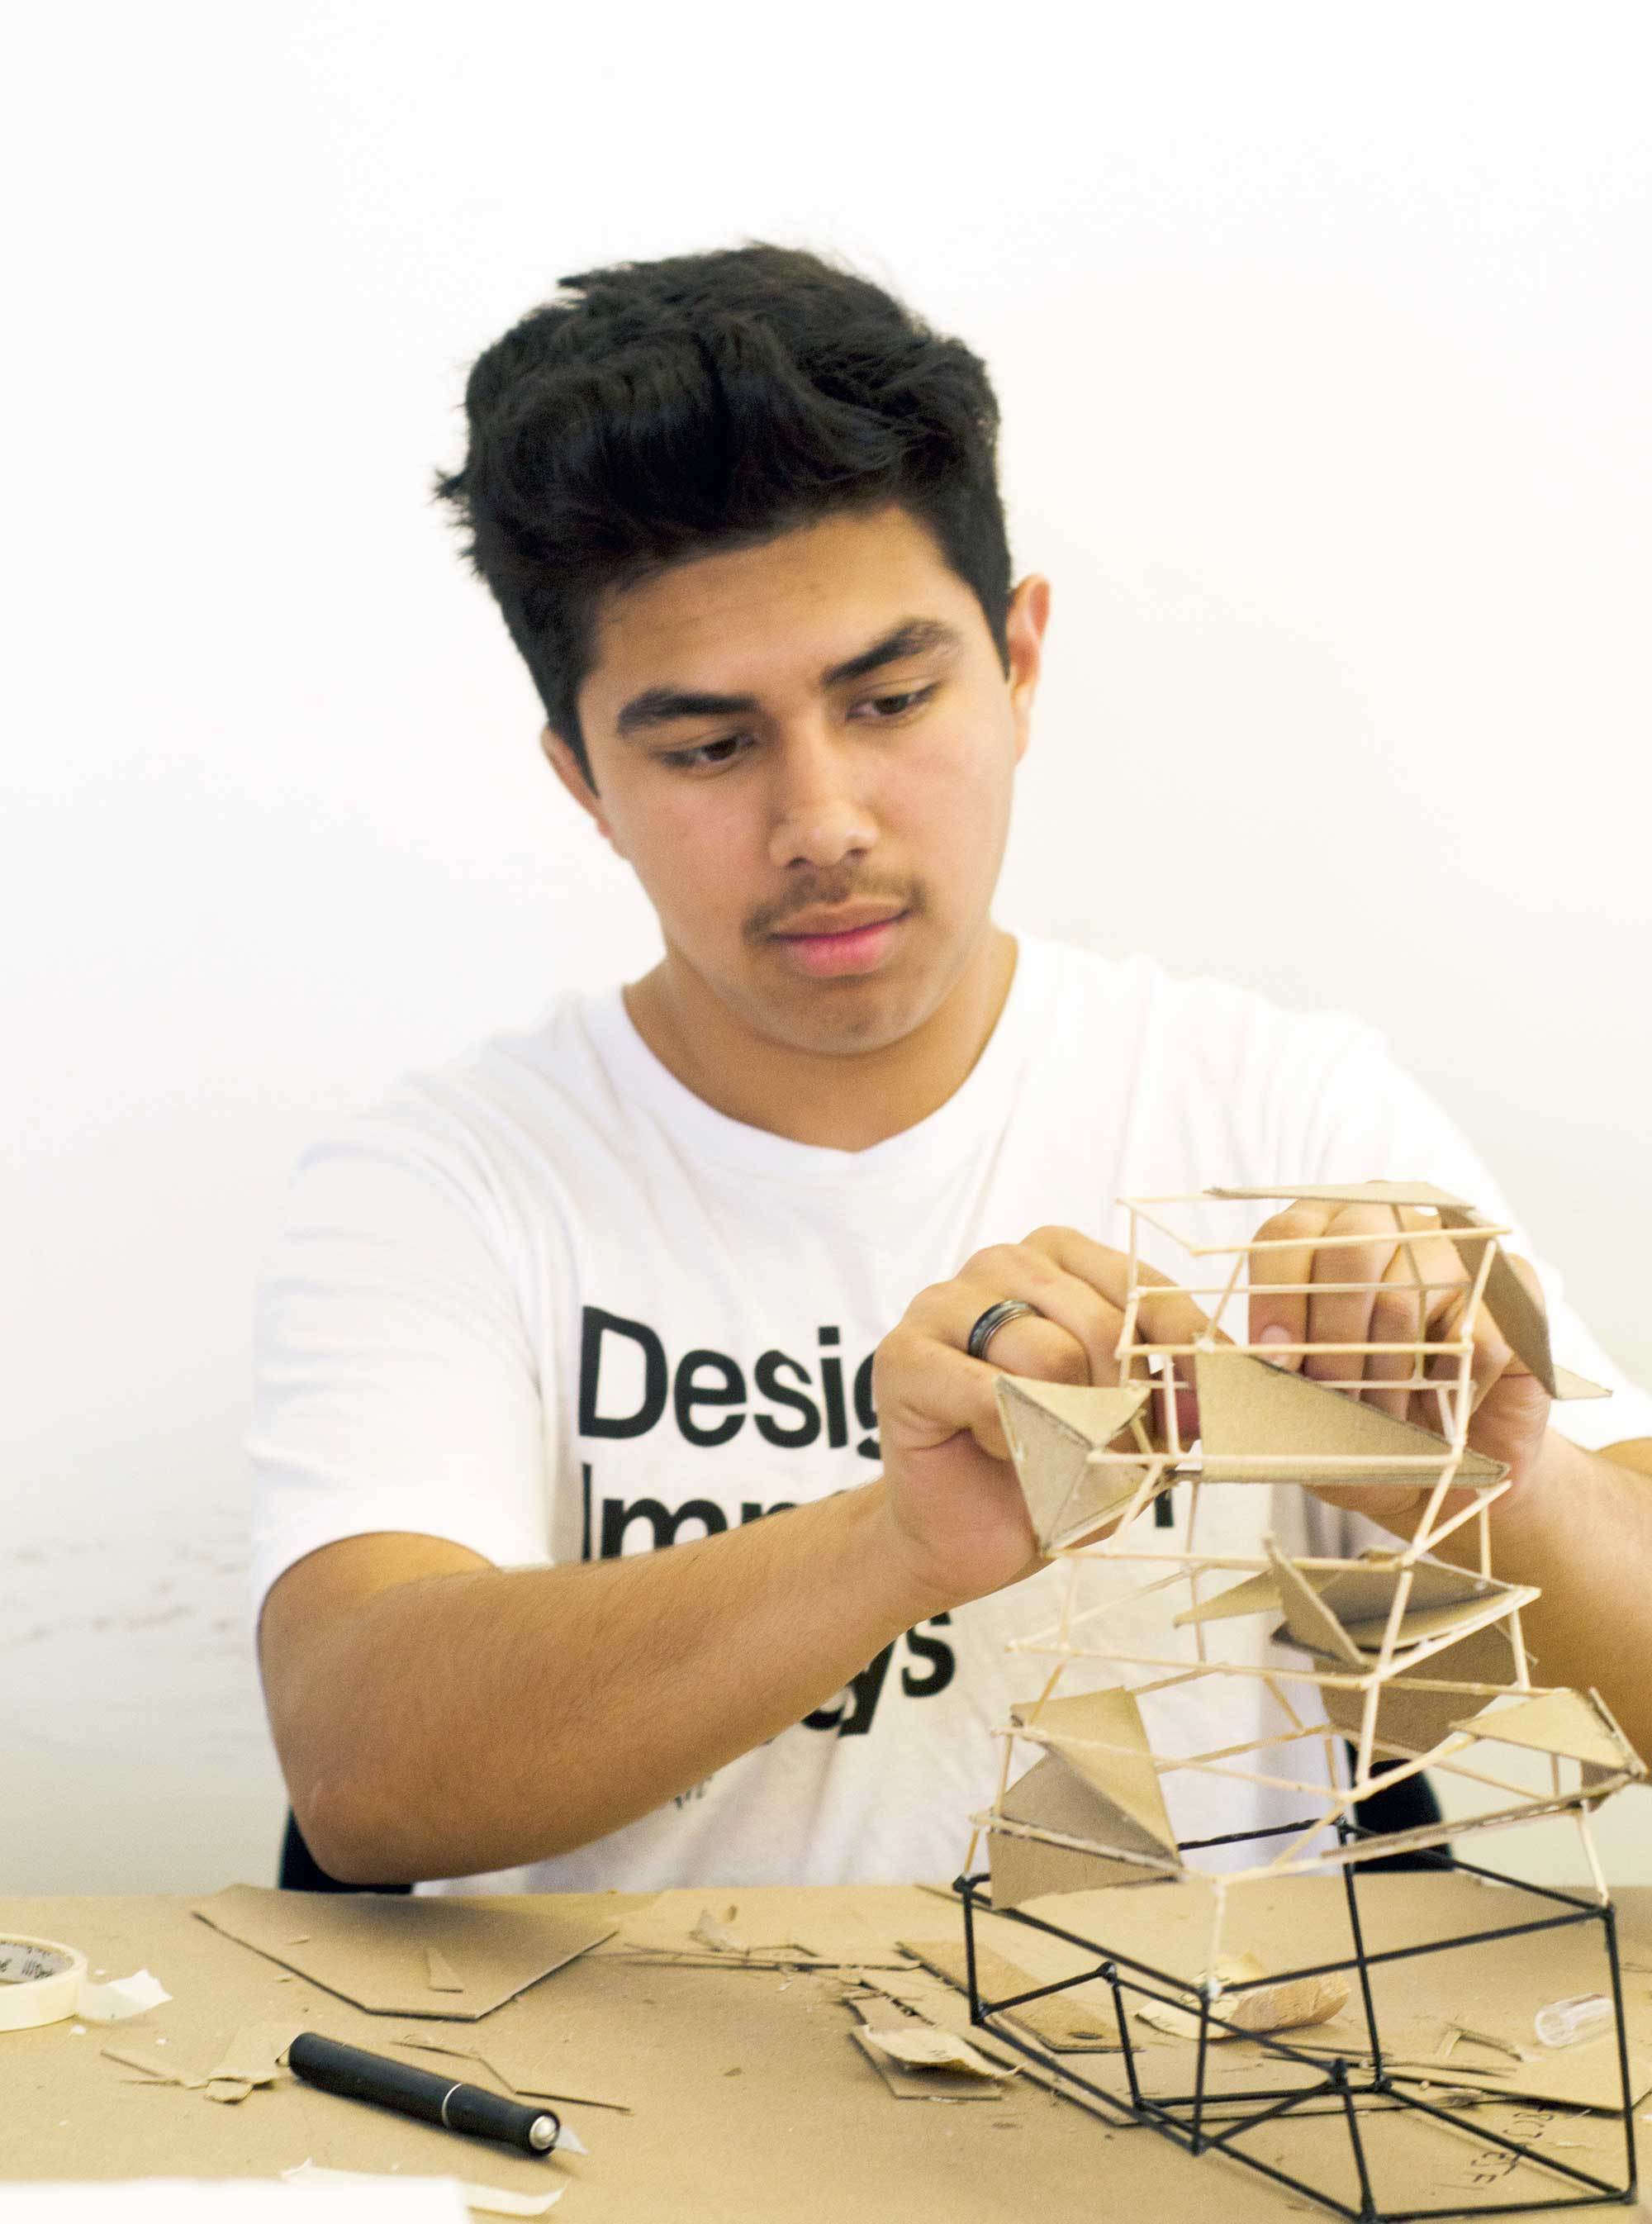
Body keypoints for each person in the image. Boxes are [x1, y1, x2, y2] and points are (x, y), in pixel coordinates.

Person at [252, 245, 1652, 1895]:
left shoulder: (1279, 1108)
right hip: (616, 2139)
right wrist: (896, 1539)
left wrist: (1508, 1470)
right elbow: (363, 1769)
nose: (821, 819)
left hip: (1172, 2120)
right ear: (581, 778)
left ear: (1021, 664)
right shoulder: (450, 1178)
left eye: (894, 696)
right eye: (706, 745)